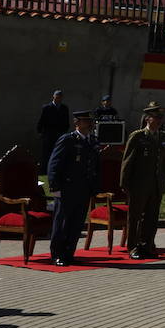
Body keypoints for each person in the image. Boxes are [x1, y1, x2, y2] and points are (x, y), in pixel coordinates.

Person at [46, 110, 100, 266]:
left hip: (84, 188)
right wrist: (55, 187)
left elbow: (96, 166)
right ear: (77, 123)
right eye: (86, 121)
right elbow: (54, 164)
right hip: (67, 188)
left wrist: (95, 186)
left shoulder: (92, 141)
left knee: (76, 223)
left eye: (90, 121)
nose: (89, 124)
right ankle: (57, 254)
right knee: (62, 223)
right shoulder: (68, 140)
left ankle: (69, 253)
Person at [121, 102, 165, 260]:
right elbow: (127, 161)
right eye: (156, 117)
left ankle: (147, 245)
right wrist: (125, 183)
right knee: (135, 217)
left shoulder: (164, 137)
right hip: (139, 184)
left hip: (156, 184)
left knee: (151, 217)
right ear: (148, 119)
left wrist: (164, 182)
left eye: (161, 118)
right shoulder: (138, 136)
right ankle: (133, 247)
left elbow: (164, 163)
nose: (159, 121)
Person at [37, 89, 71, 173]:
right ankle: (45, 170)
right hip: (49, 133)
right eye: (57, 96)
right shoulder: (47, 108)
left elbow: (66, 121)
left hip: (60, 133)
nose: (58, 98)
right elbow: (42, 120)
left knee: (59, 151)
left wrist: (64, 131)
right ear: (54, 97)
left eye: (60, 97)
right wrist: (40, 132)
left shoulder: (64, 108)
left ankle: (57, 169)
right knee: (47, 152)